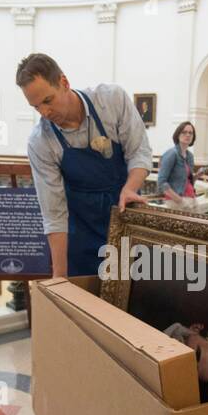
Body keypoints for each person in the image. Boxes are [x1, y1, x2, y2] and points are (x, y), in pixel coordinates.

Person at [18, 53, 152, 277]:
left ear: (64, 82)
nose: (44, 113)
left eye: (48, 101)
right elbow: (54, 213)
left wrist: (131, 187)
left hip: (126, 222)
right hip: (81, 236)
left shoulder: (112, 100)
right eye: (36, 107)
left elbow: (139, 151)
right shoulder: (40, 142)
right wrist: (60, 278)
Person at [158, 122, 197, 206]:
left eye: (190, 133)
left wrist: (197, 176)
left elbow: (187, 180)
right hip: (176, 202)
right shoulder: (171, 154)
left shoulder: (190, 156)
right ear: (178, 134)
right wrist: (180, 201)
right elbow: (161, 182)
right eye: (184, 132)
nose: (188, 135)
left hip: (192, 200)